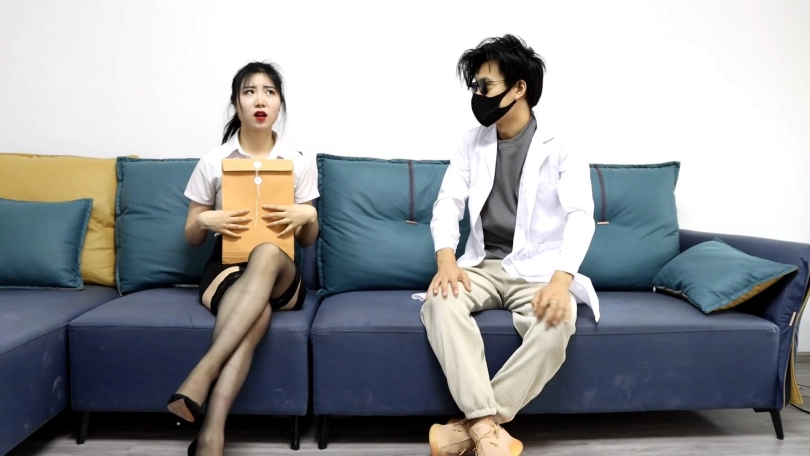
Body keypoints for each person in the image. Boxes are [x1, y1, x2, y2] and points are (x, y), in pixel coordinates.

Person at [421, 34, 600, 456]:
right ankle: (488, 431)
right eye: (475, 86)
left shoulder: (562, 146)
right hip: (482, 265)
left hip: (538, 270)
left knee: (558, 322)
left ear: (519, 88)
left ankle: (472, 427)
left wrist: (561, 282)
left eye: (485, 86)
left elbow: (581, 215)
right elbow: (447, 203)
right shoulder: (471, 141)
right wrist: (446, 261)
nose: (477, 95)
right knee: (438, 303)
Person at [167, 61, 319, 456]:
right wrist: (205, 220)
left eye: (269, 91)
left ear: (280, 103)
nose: (259, 100)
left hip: (281, 270)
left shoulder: (298, 161)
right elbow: (191, 235)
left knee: (266, 252)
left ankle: (202, 373)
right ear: (236, 104)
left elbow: (308, 239)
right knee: (258, 311)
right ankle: (211, 436)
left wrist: (308, 215)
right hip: (226, 268)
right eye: (249, 92)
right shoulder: (213, 161)